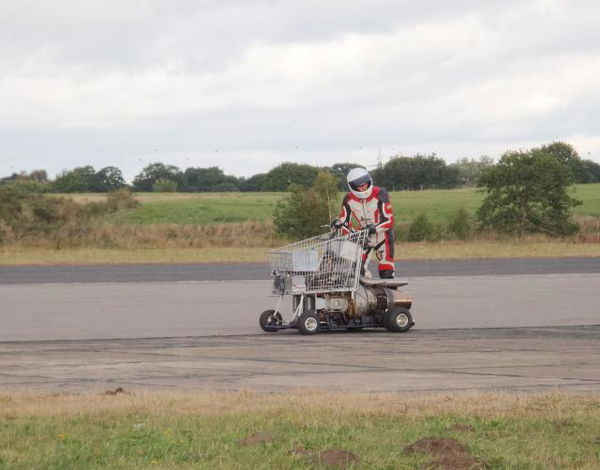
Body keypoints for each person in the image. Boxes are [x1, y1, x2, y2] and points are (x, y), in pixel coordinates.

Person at [333, 168, 396, 279]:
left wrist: (374, 228)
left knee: (386, 271)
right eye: (359, 186)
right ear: (352, 186)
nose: (363, 188)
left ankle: (389, 294)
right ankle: (369, 293)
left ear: (369, 181)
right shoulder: (348, 199)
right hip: (364, 237)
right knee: (358, 270)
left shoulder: (380, 194)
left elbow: (389, 220)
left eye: (365, 184)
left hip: (383, 236)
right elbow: (345, 223)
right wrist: (340, 225)